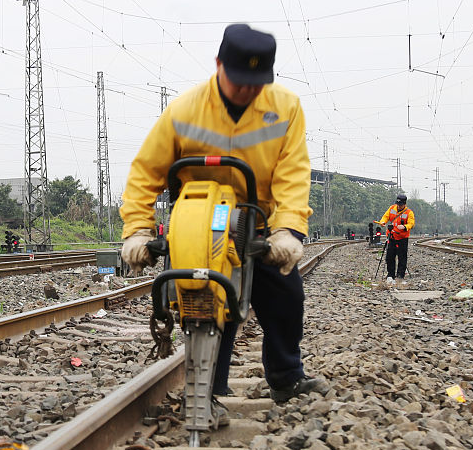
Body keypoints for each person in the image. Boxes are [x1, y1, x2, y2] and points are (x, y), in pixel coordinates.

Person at [119, 23, 329, 417]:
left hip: (257, 223)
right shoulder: (184, 110)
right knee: (208, 303)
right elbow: (144, 173)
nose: (247, 91)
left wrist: (288, 229)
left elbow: (293, 174)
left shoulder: (285, 107)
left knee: (286, 297)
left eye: (256, 83)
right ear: (218, 65)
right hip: (198, 228)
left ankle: (286, 377)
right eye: (239, 82)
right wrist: (138, 229)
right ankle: (206, 393)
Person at [377, 193, 415, 283]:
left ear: (404, 204)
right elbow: (385, 217)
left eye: (401, 204)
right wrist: (382, 222)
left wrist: (405, 227)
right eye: (398, 204)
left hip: (402, 238)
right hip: (392, 236)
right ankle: (390, 275)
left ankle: (400, 276)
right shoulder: (392, 208)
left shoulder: (409, 212)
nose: (399, 206)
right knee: (390, 256)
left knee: (402, 257)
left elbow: (411, 223)